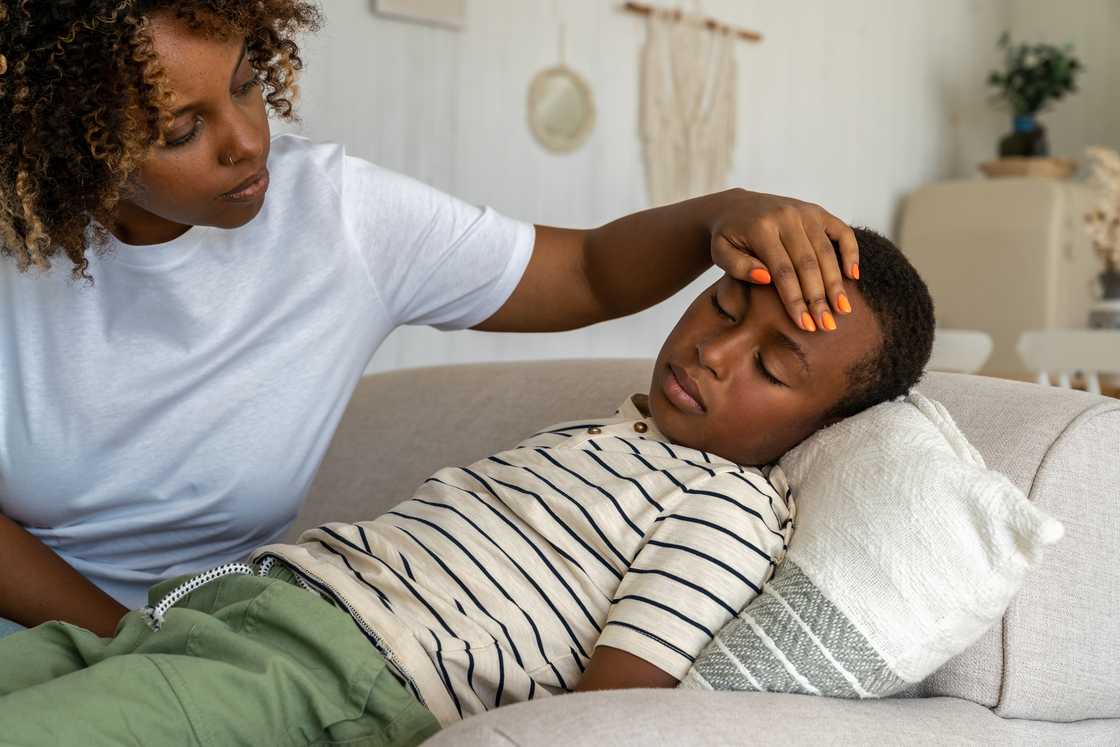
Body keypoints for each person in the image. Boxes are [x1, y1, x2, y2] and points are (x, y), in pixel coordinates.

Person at [0, 1, 864, 639]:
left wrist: (722, 211)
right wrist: (124, 644)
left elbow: (588, 273)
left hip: (217, 650)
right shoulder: (14, 249)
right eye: (183, 129)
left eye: (248, 85)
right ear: (80, 142)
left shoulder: (340, 218)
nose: (248, 142)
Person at [0, 228, 936, 745]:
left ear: (822, 428)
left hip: (341, 678)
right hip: (221, 613)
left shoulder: (728, 508)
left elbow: (611, 710)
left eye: (773, 367)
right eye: (724, 305)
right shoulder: (611, 433)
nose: (715, 350)